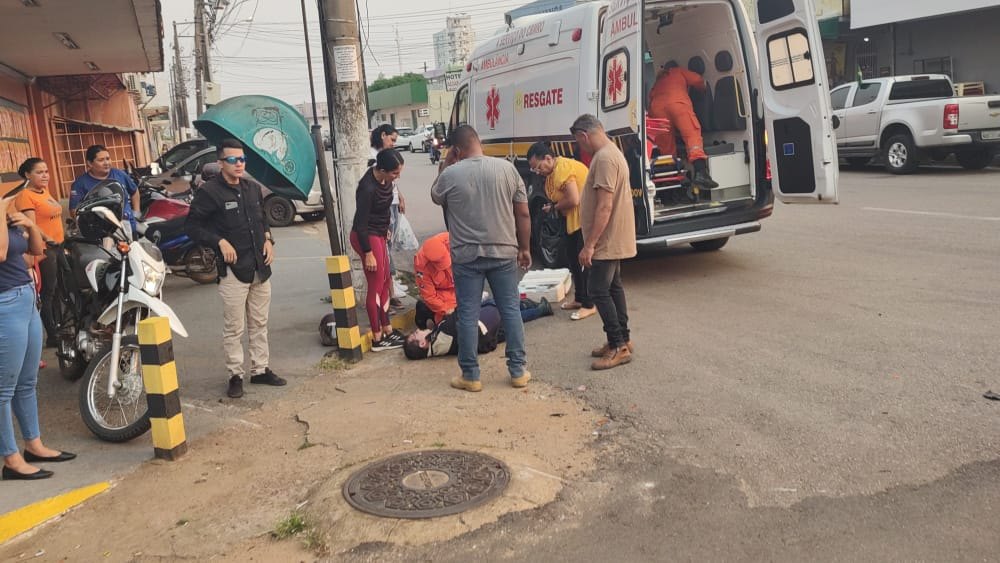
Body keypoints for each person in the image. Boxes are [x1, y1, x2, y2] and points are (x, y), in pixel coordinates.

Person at [431, 125, 532, 392]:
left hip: (466, 257)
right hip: (503, 251)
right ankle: (518, 371)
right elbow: (523, 213)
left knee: (467, 313)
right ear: (479, 142)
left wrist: (445, 164)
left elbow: (435, 195)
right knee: (510, 309)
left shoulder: (450, 174)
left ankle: (471, 375)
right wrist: (525, 248)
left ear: (456, 149)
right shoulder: (507, 169)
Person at [185, 138, 285, 399]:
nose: (239, 164)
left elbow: (262, 219)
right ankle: (235, 375)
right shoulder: (210, 192)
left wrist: (269, 240)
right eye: (232, 160)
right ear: (220, 163)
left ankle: (260, 369)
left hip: (260, 268)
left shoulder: (252, 188)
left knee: (260, 322)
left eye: (242, 159)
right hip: (232, 271)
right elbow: (193, 227)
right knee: (234, 327)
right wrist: (219, 241)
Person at [1, 183, 75, 481]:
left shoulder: (10, 219)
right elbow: (2, 253)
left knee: (27, 381)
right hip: (4, 305)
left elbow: (34, 252)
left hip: (26, 298)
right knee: (4, 389)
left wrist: (30, 224)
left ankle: (34, 444)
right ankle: (11, 458)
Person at [571, 114, 638, 370]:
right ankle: (623, 339)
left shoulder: (605, 159)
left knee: (598, 289)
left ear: (583, 136)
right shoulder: (611, 153)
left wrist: (590, 244)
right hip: (613, 235)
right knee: (613, 287)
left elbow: (604, 205)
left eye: (579, 142)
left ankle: (618, 345)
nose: (580, 147)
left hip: (606, 238)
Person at [526, 142, 597, 321]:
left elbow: (573, 199)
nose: (537, 171)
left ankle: (590, 304)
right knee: (573, 259)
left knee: (583, 262)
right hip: (572, 221)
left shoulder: (562, 169)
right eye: (534, 169)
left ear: (548, 158)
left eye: (538, 167)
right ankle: (580, 299)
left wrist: (554, 208)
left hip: (583, 220)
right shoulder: (553, 171)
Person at [351, 149, 406, 352]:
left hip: (379, 234)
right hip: (365, 236)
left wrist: (385, 231)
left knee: (385, 281)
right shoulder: (366, 188)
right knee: (375, 284)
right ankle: (377, 337)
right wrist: (368, 253)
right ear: (382, 170)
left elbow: (383, 211)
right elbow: (361, 223)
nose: (397, 177)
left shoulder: (386, 182)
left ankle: (388, 330)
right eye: (394, 173)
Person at [14, 158, 64, 347]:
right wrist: (48, 239)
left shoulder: (44, 191)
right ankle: (52, 334)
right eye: (39, 172)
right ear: (28, 175)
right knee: (47, 292)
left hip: (57, 246)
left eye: (46, 171)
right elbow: (31, 225)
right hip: (43, 249)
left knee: (60, 289)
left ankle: (60, 326)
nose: (45, 175)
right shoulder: (25, 196)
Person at [404, 298, 552, 360]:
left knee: (511, 319)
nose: (419, 330)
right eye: (417, 334)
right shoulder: (441, 336)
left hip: (485, 337)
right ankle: (536, 308)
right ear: (423, 343)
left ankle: (535, 308)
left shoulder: (437, 343)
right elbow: (458, 317)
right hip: (485, 331)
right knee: (499, 307)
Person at [648, 61, 718, 190]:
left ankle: (671, 181)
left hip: (657, 108)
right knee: (692, 133)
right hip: (678, 104)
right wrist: (703, 89)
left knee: (666, 146)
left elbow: (651, 96)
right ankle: (700, 172)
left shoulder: (659, 80)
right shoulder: (678, 71)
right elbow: (698, 80)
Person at [369, 124, 408, 306]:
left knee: (388, 248)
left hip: (391, 203)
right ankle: (390, 293)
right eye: (391, 140)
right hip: (382, 208)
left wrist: (399, 195)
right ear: (382, 135)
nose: (393, 144)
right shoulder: (372, 156)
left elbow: (392, 180)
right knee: (384, 250)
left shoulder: (387, 157)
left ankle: (391, 287)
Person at [70, 144, 140, 231]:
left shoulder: (120, 174)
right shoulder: (80, 184)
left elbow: (134, 191)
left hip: (128, 226)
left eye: (108, 158)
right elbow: (74, 210)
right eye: (101, 160)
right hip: (101, 232)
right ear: (90, 163)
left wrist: (136, 213)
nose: (106, 163)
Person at [414, 231, 456, 330]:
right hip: (441, 296)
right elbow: (430, 296)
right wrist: (446, 309)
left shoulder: (454, 241)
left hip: (460, 287)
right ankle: (426, 312)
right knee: (447, 323)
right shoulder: (421, 265)